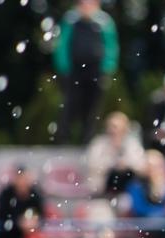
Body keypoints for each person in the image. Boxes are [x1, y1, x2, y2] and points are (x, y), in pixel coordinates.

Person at [54, 0, 120, 145]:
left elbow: (111, 47)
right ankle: (63, 140)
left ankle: (88, 140)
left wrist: (107, 68)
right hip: (74, 71)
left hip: (96, 71)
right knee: (69, 105)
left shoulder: (104, 23)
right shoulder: (70, 21)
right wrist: (64, 68)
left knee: (92, 108)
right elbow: (62, 45)